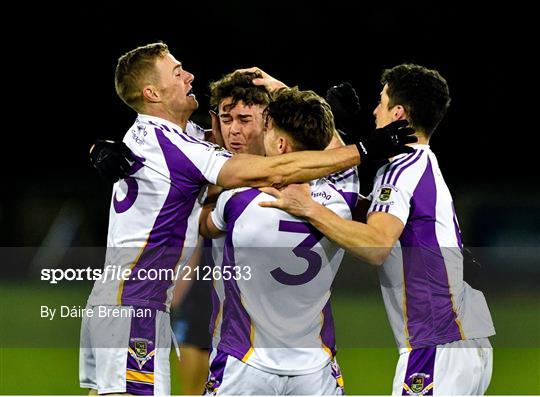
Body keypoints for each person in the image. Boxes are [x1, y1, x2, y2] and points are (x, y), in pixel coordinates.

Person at [81, 42, 413, 395]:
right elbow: (280, 164)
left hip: (127, 302)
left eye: (244, 120)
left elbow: (245, 150)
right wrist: (363, 149)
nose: (189, 75)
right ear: (152, 92)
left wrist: (96, 147)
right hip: (135, 303)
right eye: (177, 72)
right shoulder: (199, 163)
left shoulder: (179, 142)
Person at [258, 63, 496, 395]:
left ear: (398, 113)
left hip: (435, 345)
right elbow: (355, 201)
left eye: (380, 102)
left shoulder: (400, 169)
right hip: (462, 339)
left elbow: (376, 244)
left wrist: (307, 208)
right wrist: (295, 102)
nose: (374, 112)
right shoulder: (422, 162)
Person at [200, 87, 358, 395]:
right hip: (316, 367)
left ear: (282, 144)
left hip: (244, 362)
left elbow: (204, 225)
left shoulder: (237, 200)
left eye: (267, 128)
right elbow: (339, 157)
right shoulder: (343, 199)